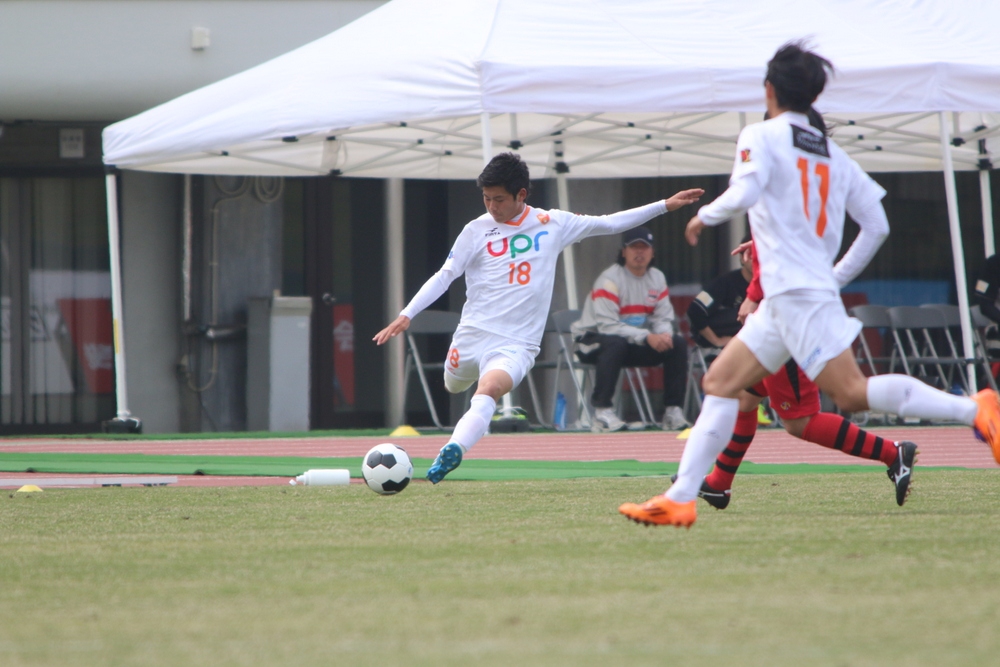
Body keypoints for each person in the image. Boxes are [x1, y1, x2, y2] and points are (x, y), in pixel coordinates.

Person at [619, 41, 1000, 528]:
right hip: (790, 298)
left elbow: (746, 189)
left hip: (794, 297)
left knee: (850, 393)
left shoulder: (761, 133)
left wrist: (705, 215)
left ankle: (974, 408)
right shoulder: (831, 152)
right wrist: (832, 277)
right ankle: (681, 497)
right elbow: (877, 225)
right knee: (720, 383)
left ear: (769, 89)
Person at [373, 152, 703, 483]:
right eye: (486, 198)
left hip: (517, 343)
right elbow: (445, 275)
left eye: (499, 199)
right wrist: (407, 314)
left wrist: (664, 205)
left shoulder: (553, 223)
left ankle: (453, 449)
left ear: (521, 194)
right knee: (453, 383)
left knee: (489, 389)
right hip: (472, 334)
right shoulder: (475, 230)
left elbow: (610, 222)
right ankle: (460, 410)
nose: (492, 206)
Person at [684, 239, 918, 510]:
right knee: (741, 397)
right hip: (781, 320)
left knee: (801, 421)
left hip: (786, 327)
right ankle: (718, 483)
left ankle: (893, 453)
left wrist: (753, 293)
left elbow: (789, 242)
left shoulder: (781, 216)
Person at [570, 226, 691, 432]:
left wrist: (664, 336)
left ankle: (673, 412)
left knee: (676, 343)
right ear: (624, 252)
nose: (639, 252)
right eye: (634, 247)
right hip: (591, 341)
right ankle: (602, 413)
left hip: (629, 342)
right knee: (614, 343)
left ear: (652, 252)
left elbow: (662, 318)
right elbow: (608, 326)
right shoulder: (609, 280)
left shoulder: (657, 278)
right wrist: (647, 336)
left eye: (644, 248)